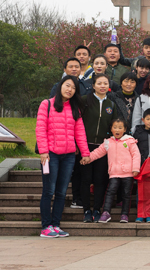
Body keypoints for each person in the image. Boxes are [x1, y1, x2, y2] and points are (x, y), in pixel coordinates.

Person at [36, 76, 90, 238]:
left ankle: (56, 225)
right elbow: (40, 129)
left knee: (61, 192)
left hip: (68, 156)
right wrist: (43, 151)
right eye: (67, 85)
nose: (70, 90)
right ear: (60, 86)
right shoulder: (47, 104)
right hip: (50, 155)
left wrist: (85, 153)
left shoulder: (75, 109)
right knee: (49, 191)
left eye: (73, 88)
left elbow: (80, 132)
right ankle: (46, 226)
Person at [81, 118, 140, 224]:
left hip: (128, 173)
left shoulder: (130, 141)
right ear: (111, 129)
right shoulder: (108, 142)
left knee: (126, 194)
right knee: (110, 192)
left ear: (125, 129)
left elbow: (136, 155)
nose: (117, 130)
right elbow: (98, 152)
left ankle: (124, 215)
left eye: (120, 128)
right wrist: (88, 158)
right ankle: (106, 213)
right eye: (115, 127)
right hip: (114, 173)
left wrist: (135, 168)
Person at [80, 74, 119, 223]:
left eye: (105, 83)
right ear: (93, 85)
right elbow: (77, 122)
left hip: (103, 148)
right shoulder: (85, 101)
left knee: (100, 179)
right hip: (85, 146)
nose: (102, 86)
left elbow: (114, 126)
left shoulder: (111, 104)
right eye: (99, 83)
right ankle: (86, 210)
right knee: (85, 179)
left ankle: (97, 209)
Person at [131, 108, 150, 223]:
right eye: (148, 119)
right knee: (140, 191)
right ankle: (140, 214)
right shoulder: (137, 131)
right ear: (143, 120)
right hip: (141, 166)